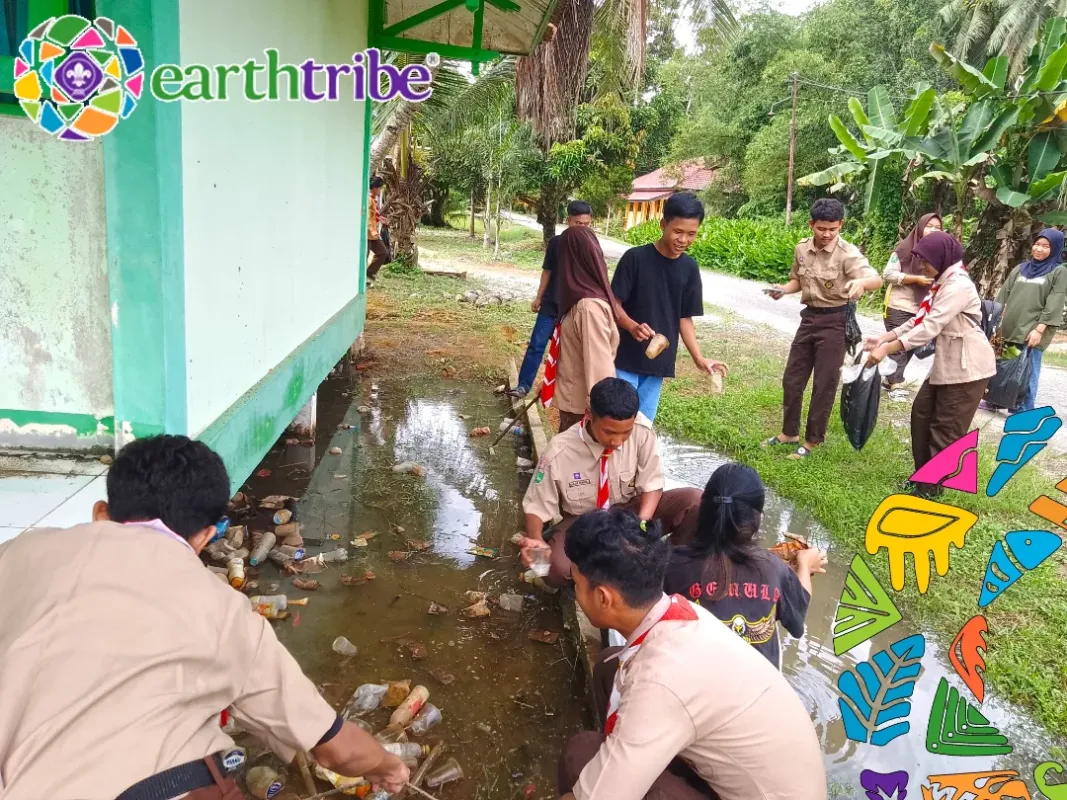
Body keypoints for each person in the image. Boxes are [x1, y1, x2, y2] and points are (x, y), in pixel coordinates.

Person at [0, 435, 409, 799]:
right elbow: (335, 747)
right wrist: (387, 766)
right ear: (205, 537)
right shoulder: (227, 614)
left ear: (101, 513)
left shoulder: (17, 552)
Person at [557, 509, 827, 800]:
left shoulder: (659, 679)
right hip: (752, 772)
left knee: (581, 755)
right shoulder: (681, 613)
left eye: (577, 584)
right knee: (609, 667)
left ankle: (623, 768)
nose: (576, 592)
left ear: (602, 598)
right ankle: (628, 760)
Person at [519, 377, 702, 589]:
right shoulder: (559, 451)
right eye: (609, 432)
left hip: (630, 511)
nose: (617, 441)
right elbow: (536, 507)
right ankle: (589, 582)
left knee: (695, 501)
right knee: (550, 568)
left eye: (626, 432)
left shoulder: (642, 430)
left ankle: (668, 570)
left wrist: (640, 525)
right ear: (589, 415)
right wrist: (535, 540)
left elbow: (652, 483)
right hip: (585, 524)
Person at [864, 232, 996, 497]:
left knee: (945, 428)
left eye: (925, 261)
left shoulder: (957, 285)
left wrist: (888, 349)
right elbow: (919, 320)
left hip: (968, 367)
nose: (921, 266)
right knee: (922, 414)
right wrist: (884, 337)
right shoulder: (942, 283)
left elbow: (929, 328)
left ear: (941, 258)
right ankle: (923, 478)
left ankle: (930, 491)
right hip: (948, 364)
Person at [662, 464, 826, 669]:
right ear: (759, 518)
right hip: (760, 684)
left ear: (702, 511)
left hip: (688, 677)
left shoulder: (669, 563)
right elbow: (796, 623)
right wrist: (804, 566)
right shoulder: (774, 568)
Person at [764, 198, 882, 459]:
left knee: (824, 384)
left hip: (835, 322)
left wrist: (862, 283)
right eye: (821, 228)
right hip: (808, 319)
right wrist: (783, 290)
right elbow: (796, 280)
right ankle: (789, 433)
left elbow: (876, 279)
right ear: (811, 224)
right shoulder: (802, 249)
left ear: (841, 225)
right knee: (792, 379)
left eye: (832, 229)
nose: (826, 234)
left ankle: (812, 440)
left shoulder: (847, 253)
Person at [611, 192, 727, 422]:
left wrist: (699, 358)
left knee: (644, 424)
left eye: (691, 234)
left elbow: (684, 318)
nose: (683, 240)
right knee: (618, 420)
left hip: (658, 363)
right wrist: (632, 326)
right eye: (678, 231)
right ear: (663, 224)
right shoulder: (635, 258)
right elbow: (613, 304)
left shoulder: (689, 268)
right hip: (624, 357)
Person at [510, 201, 594, 398]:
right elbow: (547, 271)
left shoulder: (591, 244)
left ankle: (559, 392)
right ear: (568, 220)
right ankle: (523, 386)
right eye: (578, 223)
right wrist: (538, 297)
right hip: (550, 304)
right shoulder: (556, 243)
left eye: (586, 224)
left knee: (567, 352)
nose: (582, 228)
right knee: (536, 346)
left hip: (574, 308)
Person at [990, 228, 1067, 413]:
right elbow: (1003, 295)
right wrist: (994, 320)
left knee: (1028, 369)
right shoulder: (1021, 269)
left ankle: (1024, 407)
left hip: (1034, 331)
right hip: (1011, 327)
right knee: (1005, 364)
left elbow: (1054, 302)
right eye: (1037, 244)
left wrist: (1039, 330)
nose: (1039, 249)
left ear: (1055, 248)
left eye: (1046, 246)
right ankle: (997, 400)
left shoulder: (1059, 272)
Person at [553, 226, 620, 432]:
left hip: (582, 412)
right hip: (575, 402)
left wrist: (602, 417)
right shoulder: (584, 301)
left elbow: (599, 368)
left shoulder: (588, 308)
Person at [882, 213, 942, 401]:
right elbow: (888, 274)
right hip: (898, 305)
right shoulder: (904, 249)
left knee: (910, 346)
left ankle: (890, 378)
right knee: (899, 346)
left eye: (937, 228)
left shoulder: (940, 254)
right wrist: (914, 279)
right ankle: (896, 384)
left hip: (921, 309)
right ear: (920, 227)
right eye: (929, 226)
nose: (932, 230)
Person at [367, 176, 390, 283]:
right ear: (375, 188)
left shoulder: (373, 199)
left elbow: (373, 215)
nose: (380, 191)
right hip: (368, 233)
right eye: (380, 188)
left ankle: (369, 273)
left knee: (383, 252)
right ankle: (362, 278)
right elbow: (367, 217)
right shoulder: (368, 199)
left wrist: (380, 219)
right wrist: (373, 231)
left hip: (373, 233)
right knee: (365, 256)